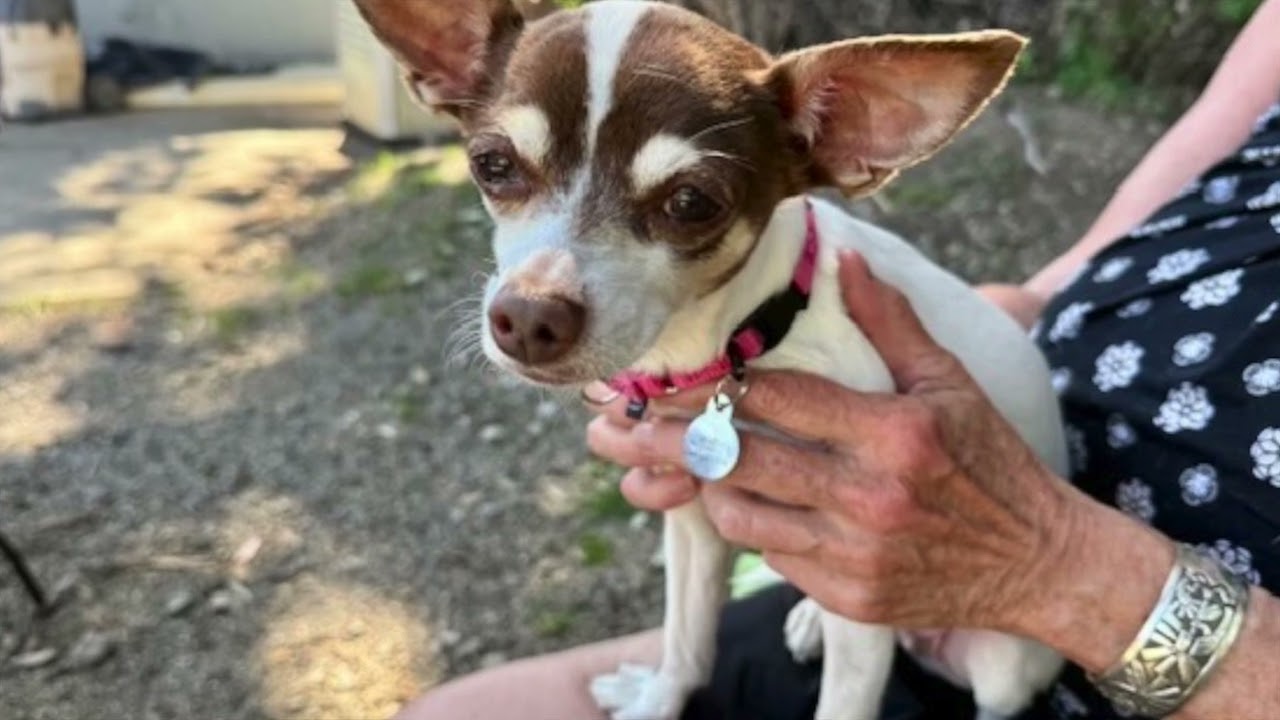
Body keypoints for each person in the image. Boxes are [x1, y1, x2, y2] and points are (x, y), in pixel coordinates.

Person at [400, 1, 1280, 717]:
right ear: (449, 74)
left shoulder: (818, 295)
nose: (541, 289)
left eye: (686, 202)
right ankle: (677, 675)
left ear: (835, 134)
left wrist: (1059, 573)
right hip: (911, 526)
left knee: (1002, 684)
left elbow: (876, 573)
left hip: (1040, 642)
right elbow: (1194, 158)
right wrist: (1033, 298)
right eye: (502, 168)